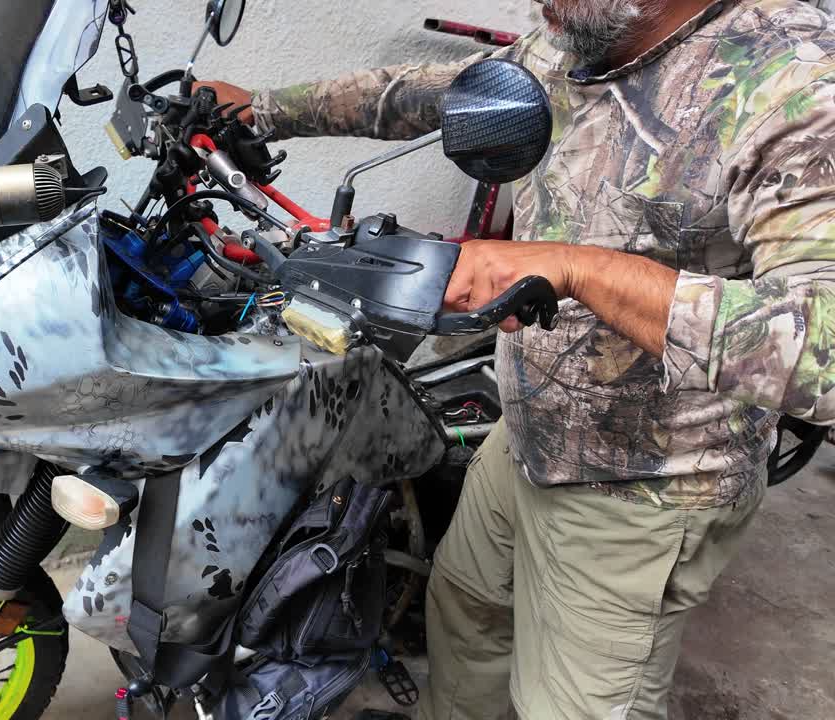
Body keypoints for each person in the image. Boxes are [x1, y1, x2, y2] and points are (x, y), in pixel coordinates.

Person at [203, 0, 835, 717]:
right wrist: (262, 111)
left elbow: (824, 345)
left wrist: (575, 268)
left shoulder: (793, 76)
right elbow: (429, 93)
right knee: (465, 615)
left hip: (644, 487)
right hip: (528, 430)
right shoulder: (584, 40)